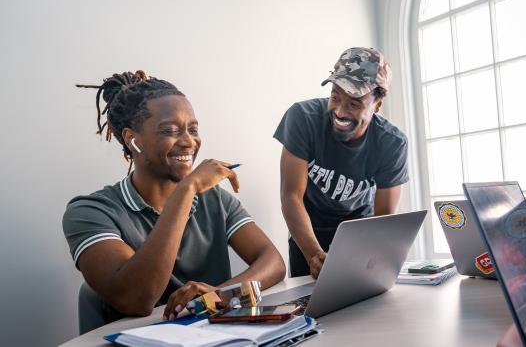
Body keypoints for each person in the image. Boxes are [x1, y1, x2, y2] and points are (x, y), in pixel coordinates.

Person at [63, 71, 285, 324]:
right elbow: (137, 299)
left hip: (212, 337)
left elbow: (273, 261)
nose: (188, 141)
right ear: (132, 140)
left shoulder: (215, 200)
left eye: (193, 129)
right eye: (170, 130)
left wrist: (219, 296)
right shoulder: (91, 212)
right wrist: (185, 191)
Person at [274, 47, 408, 278]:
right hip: (307, 235)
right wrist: (314, 255)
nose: (339, 111)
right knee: (309, 310)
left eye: (354, 103)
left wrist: (372, 260)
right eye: (335, 97)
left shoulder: (392, 143)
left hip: (359, 236)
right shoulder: (302, 119)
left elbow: (383, 220)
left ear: (377, 104)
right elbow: (291, 196)